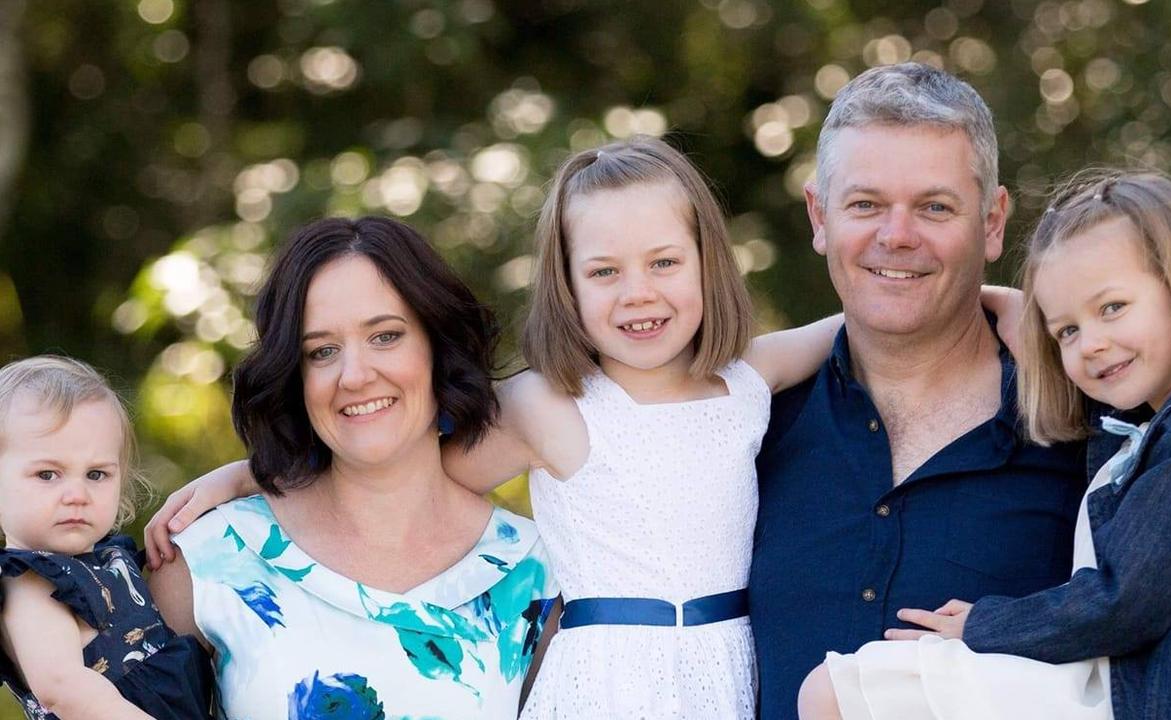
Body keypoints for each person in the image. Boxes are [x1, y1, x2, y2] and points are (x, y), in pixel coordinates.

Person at [147, 136, 845, 719]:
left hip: (727, 671)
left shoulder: (746, 379)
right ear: (567, 286)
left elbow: (866, 326)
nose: (639, 292)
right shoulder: (547, 405)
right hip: (604, 685)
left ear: (706, 262)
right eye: (604, 271)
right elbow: (400, 450)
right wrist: (250, 474)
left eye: (664, 262)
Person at [799, 170, 1171, 720]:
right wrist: (1005, 310)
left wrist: (983, 625)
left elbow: (1123, 603)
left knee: (841, 691)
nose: (1092, 345)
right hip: (1144, 686)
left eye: (1112, 308)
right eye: (1065, 332)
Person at [748, 62, 1088, 719]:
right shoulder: (740, 428)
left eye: (934, 207)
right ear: (820, 215)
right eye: (866, 204)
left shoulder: (1083, 426)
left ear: (992, 222)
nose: (897, 235)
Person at [147, 217, 559, 719]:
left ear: (437, 346)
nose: (356, 375)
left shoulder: (539, 572)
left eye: (385, 336)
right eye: (322, 351)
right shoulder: (209, 557)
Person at [0, 356, 213, 719]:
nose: (77, 494)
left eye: (96, 475)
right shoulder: (30, 582)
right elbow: (63, 690)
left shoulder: (102, 560)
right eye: (48, 475)